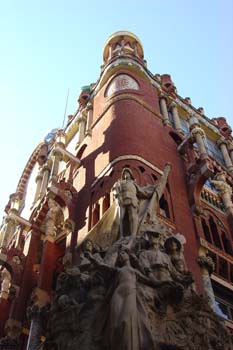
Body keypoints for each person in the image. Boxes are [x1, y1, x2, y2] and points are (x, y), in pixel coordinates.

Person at [113, 163, 172, 237]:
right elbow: (115, 191)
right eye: (124, 173)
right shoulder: (119, 183)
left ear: (130, 175)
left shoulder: (134, 184)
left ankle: (133, 235)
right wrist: (119, 198)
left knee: (133, 217)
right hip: (122, 200)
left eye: (127, 172)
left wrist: (153, 190)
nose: (126, 174)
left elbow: (142, 193)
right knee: (121, 219)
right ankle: (121, 236)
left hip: (133, 201)